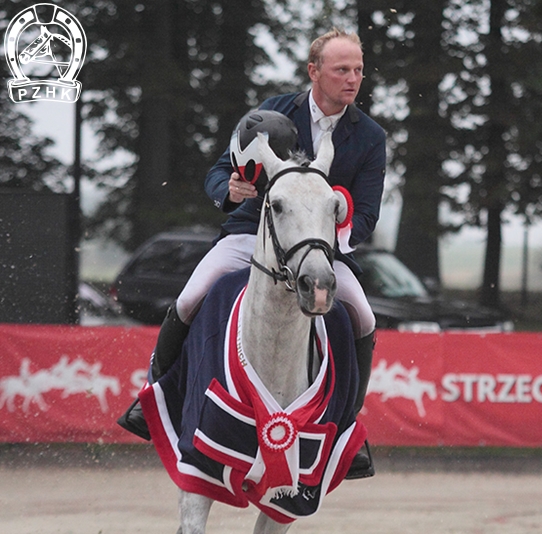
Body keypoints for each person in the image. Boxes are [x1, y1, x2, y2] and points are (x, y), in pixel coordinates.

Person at [118, 28, 387, 479]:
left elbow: (367, 214)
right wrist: (231, 188)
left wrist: (331, 243)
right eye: (342, 69)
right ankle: (155, 397)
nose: (353, 78)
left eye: (358, 69)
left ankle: (346, 432)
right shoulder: (272, 113)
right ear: (314, 71)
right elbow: (222, 169)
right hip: (252, 236)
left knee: (363, 316)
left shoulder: (371, 136)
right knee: (191, 296)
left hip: (321, 250)